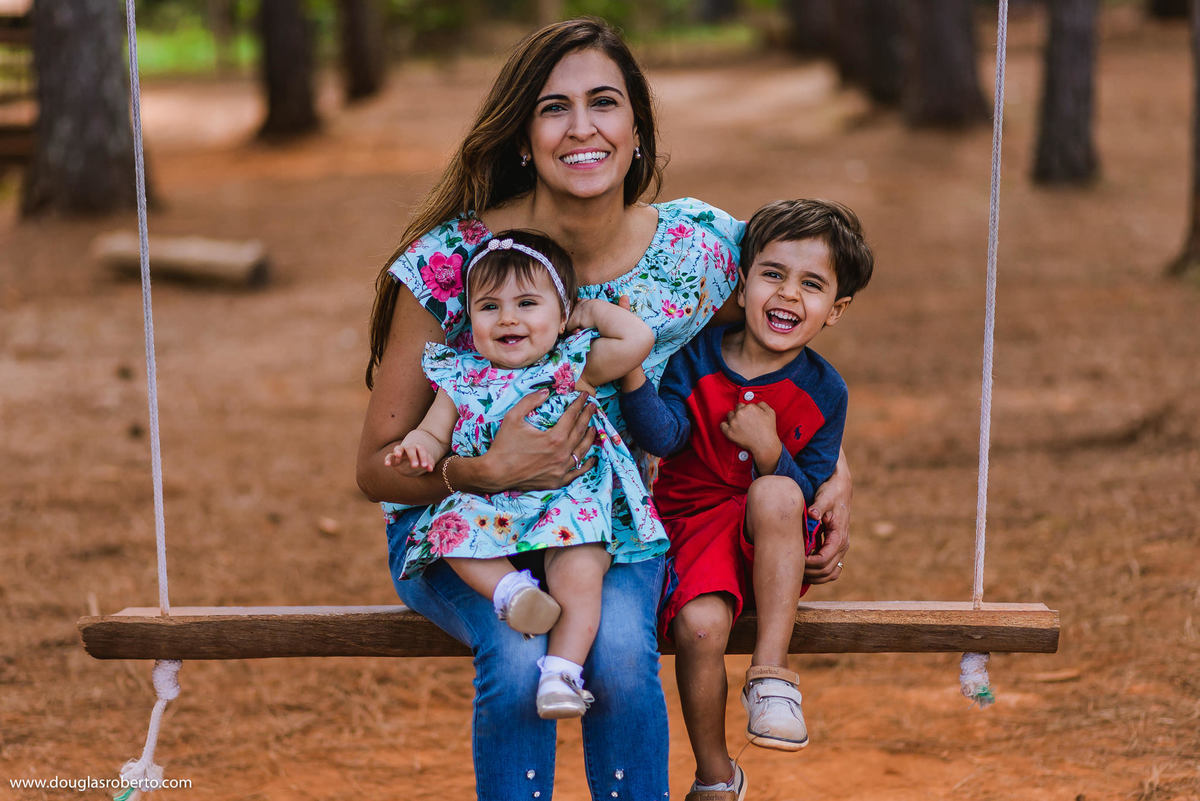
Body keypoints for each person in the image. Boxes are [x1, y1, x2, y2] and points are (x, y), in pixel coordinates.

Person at [356, 17, 852, 801]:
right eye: (554, 108)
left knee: (621, 655)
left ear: (637, 129)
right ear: (524, 135)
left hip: (608, 522)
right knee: (521, 658)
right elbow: (375, 468)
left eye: (604, 103)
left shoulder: (703, 250)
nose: (581, 128)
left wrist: (832, 471)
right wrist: (481, 470)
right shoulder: (452, 264)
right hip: (462, 533)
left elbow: (778, 344)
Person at [618, 199, 874, 800]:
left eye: (811, 285)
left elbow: (810, 491)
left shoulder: (825, 390)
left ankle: (771, 676)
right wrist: (633, 375)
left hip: (772, 538)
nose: (788, 295)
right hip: (693, 525)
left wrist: (767, 452)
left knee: (778, 491)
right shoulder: (694, 356)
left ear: (835, 310)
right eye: (773, 274)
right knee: (700, 629)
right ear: (742, 278)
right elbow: (667, 436)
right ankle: (715, 775)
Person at [387, 228, 668, 719]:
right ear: (470, 318)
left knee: (581, 568)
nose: (508, 318)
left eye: (528, 303)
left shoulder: (573, 364)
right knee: (448, 528)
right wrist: (418, 447)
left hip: (566, 502)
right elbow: (433, 433)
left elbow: (637, 338)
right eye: (489, 306)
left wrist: (587, 312)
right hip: (489, 501)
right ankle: (512, 593)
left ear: (560, 317)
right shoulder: (460, 376)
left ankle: (561, 672)